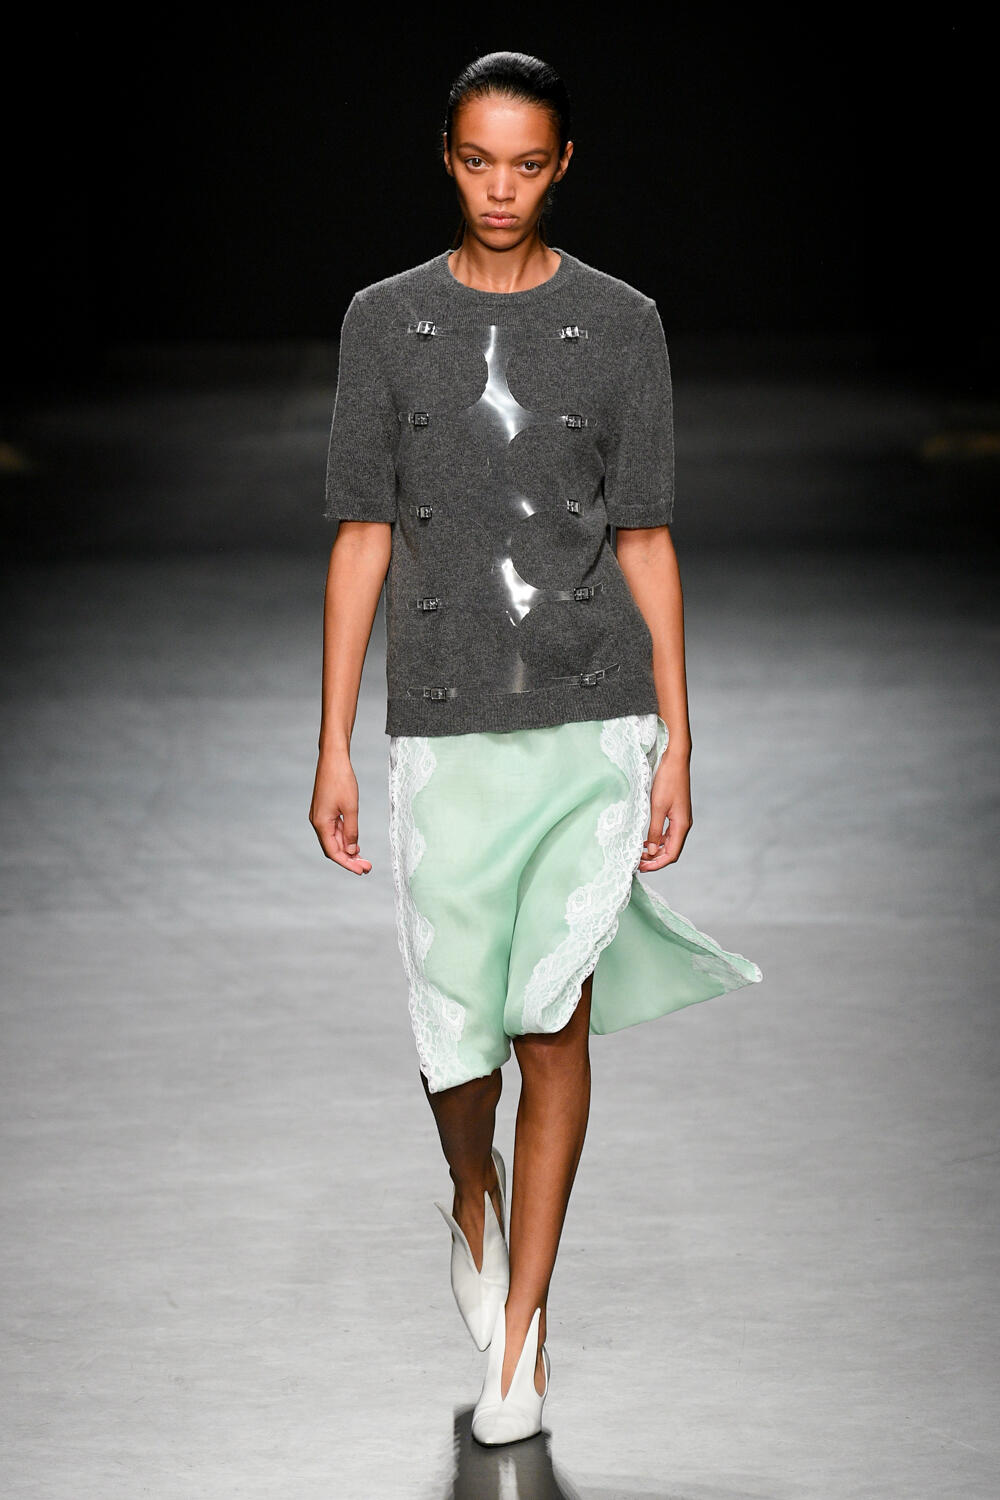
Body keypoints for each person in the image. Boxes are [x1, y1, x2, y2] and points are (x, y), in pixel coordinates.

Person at [310, 50, 762, 1447]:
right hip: (445, 726)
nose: (499, 188)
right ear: (446, 157)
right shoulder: (384, 322)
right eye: (476, 160)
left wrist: (677, 737)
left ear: (562, 166)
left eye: (526, 163)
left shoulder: (622, 325)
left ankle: (523, 1336)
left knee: (549, 1014)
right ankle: (471, 1192)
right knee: (456, 1038)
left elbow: (646, 538)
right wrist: (331, 742)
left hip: (588, 717)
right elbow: (363, 535)